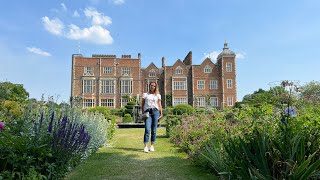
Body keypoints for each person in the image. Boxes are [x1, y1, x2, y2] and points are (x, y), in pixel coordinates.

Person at [141, 81, 162, 153]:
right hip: (148, 112)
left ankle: (152, 145)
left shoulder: (158, 95)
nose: (152, 87)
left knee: (154, 130)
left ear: (156, 87)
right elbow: (142, 104)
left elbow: (159, 105)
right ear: (149, 86)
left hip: (156, 112)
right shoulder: (145, 94)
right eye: (151, 85)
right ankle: (145, 146)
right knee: (147, 129)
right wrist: (143, 112)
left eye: (154, 86)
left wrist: (161, 113)